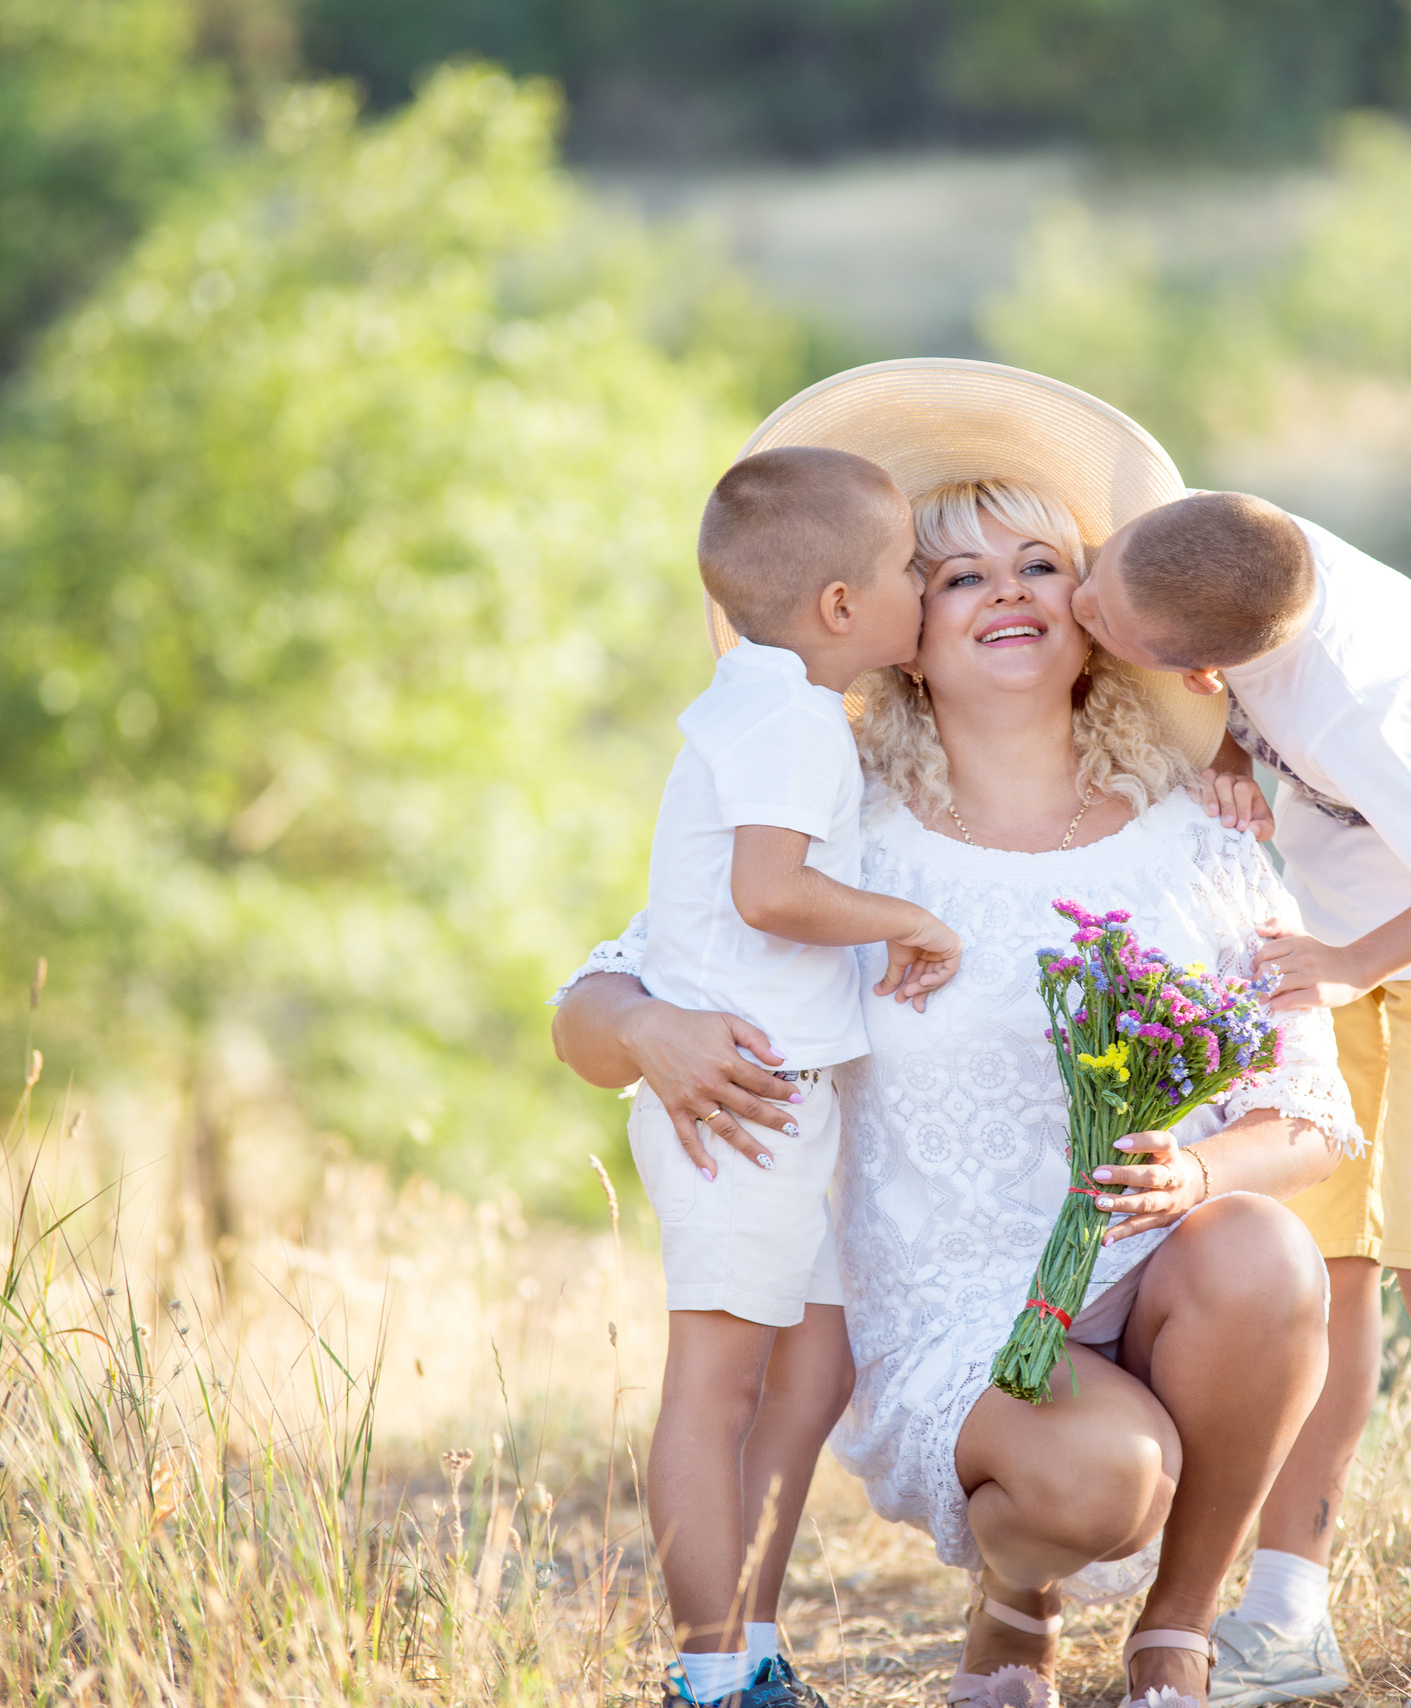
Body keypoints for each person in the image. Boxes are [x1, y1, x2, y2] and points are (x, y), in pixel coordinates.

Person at [557, 378, 1363, 1708]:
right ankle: (1013, 1603)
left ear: (1094, 614)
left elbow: (1310, 1109)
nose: (1010, 591)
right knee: (1110, 1477)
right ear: (894, 631)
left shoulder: (1200, 838)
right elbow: (588, 1007)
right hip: (957, 1320)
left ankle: (1178, 1631)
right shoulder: (835, 833)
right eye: (959, 573)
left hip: (1167, 1276)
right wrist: (649, 1030)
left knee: (1268, 1257)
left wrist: (1201, 1178)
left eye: (1044, 564)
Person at [1074, 490, 1411, 1708]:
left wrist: (1360, 962)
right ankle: (1292, 1612)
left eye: (1103, 615)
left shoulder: (1352, 700)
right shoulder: (1217, 547)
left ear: (1195, 663)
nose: (1082, 607)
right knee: (1322, 1250)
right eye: (1094, 576)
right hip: (1319, 922)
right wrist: (1239, 756)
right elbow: (1221, 676)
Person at [599, 443, 962, 1708]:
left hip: (777, 1103)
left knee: (811, 1369)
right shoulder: (798, 718)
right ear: (841, 609)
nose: (928, 584)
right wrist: (903, 922)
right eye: (912, 567)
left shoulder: (757, 699)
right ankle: (709, 1671)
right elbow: (772, 891)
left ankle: (749, 1640)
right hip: (739, 1108)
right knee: (715, 1386)